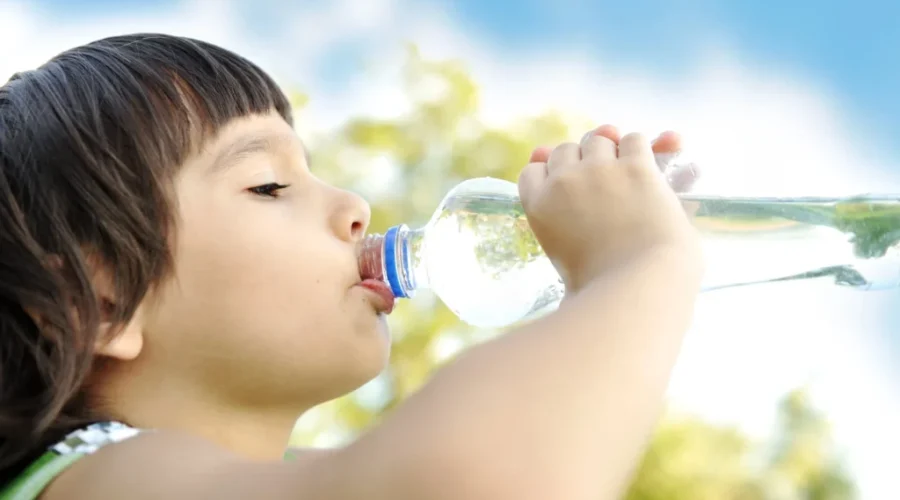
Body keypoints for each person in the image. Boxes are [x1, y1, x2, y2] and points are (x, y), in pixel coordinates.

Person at [0, 33, 703, 499]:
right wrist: (639, 266)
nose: (355, 206)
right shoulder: (97, 482)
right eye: (268, 185)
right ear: (103, 297)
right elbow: (471, 480)